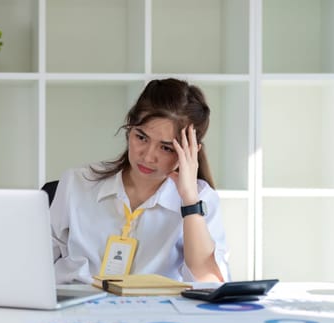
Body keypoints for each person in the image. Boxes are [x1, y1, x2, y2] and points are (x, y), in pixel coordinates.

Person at [50, 78, 230, 284]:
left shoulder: (201, 199)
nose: (147, 156)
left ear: (189, 152)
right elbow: (34, 262)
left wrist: (189, 201)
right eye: (141, 137)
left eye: (166, 148)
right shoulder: (77, 183)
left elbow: (208, 282)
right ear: (129, 129)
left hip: (155, 312)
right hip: (76, 308)